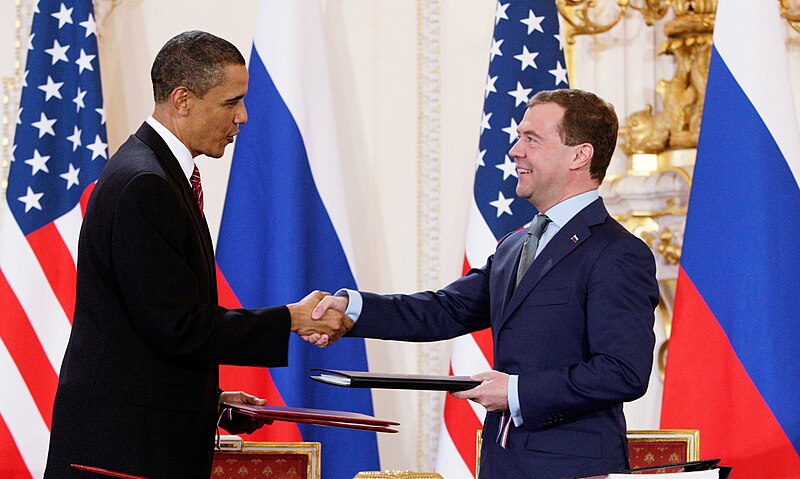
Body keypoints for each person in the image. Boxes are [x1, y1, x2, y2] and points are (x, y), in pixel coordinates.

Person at [44, 31, 352, 479]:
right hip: (124, 454)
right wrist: (291, 318)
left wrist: (212, 400)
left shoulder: (155, 173)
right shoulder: (144, 184)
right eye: (232, 102)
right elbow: (178, 327)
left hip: (138, 440)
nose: (243, 117)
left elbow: (147, 332)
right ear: (183, 100)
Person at [310, 89, 659, 478]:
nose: (514, 151)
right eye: (519, 137)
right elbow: (444, 309)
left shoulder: (616, 253)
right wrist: (351, 309)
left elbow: (622, 371)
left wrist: (513, 392)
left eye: (532, 138)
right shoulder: (515, 245)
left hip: (571, 469)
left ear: (580, 154)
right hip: (501, 464)